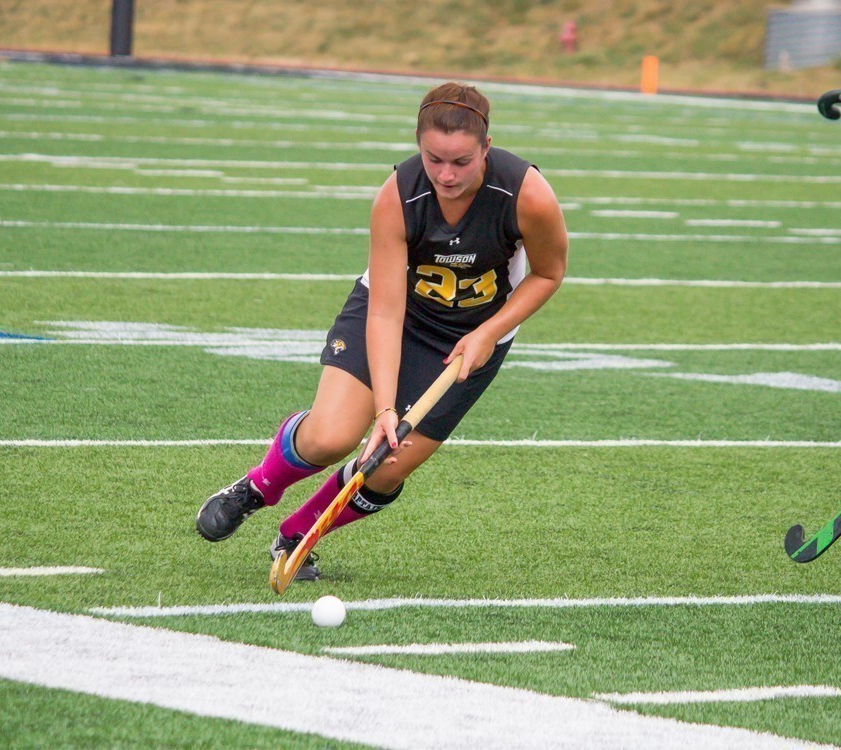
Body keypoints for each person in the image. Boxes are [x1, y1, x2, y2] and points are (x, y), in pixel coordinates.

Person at [194, 82, 569, 582]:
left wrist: (490, 331)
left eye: (461, 161)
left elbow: (548, 274)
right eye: (434, 159)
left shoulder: (527, 195)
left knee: (389, 466)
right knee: (333, 436)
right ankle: (257, 488)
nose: (446, 174)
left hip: (475, 335)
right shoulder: (398, 196)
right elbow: (387, 313)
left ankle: (297, 535)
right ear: (418, 146)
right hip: (397, 314)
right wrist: (386, 408)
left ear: (487, 147)